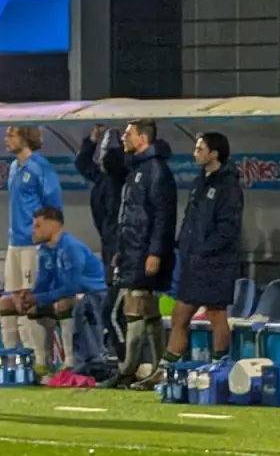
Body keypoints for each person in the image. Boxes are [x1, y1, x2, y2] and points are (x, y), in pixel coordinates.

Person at [139, 131, 243, 389]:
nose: (195, 153)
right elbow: (189, 219)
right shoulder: (199, 182)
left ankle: (219, 370)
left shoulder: (229, 186)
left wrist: (203, 250)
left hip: (217, 262)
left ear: (214, 154)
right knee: (180, 315)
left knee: (216, 315)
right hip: (193, 261)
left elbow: (228, 229)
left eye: (200, 149)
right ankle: (165, 371)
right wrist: (183, 247)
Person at [104, 119, 177, 387]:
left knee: (136, 305)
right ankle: (148, 370)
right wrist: (120, 252)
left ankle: (132, 369)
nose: (124, 137)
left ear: (143, 138)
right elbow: (129, 218)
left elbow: (163, 216)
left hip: (145, 252)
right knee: (144, 308)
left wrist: (155, 252)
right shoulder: (138, 168)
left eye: (128, 133)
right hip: (133, 251)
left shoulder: (156, 170)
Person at [10, 206, 108, 376]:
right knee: (32, 307)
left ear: (53, 224)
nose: (33, 231)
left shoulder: (71, 247)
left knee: (64, 303)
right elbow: (44, 282)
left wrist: (38, 298)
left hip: (95, 296)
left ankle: (71, 362)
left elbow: (72, 286)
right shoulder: (45, 250)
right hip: (73, 295)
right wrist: (29, 297)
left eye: (38, 225)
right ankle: (43, 362)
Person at [0, 125, 63, 368]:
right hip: (14, 242)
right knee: (16, 301)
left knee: (32, 301)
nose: (6, 138)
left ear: (26, 138)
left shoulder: (41, 167)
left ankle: (43, 360)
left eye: (11, 135)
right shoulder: (14, 167)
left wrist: (49, 240)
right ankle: (25, 360)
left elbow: (53, 207)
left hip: (33, 244)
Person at [75, 124, 127, 358]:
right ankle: (118, 352)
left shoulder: (120, 180)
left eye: (106, 154)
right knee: (113, 308)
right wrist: (91, 142)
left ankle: (123, 356)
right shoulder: (104, 178)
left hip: (119, 249)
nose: (102, 159)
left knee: (114, 309)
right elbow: (82, 164)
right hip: (109, 246)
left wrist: (118, 250)